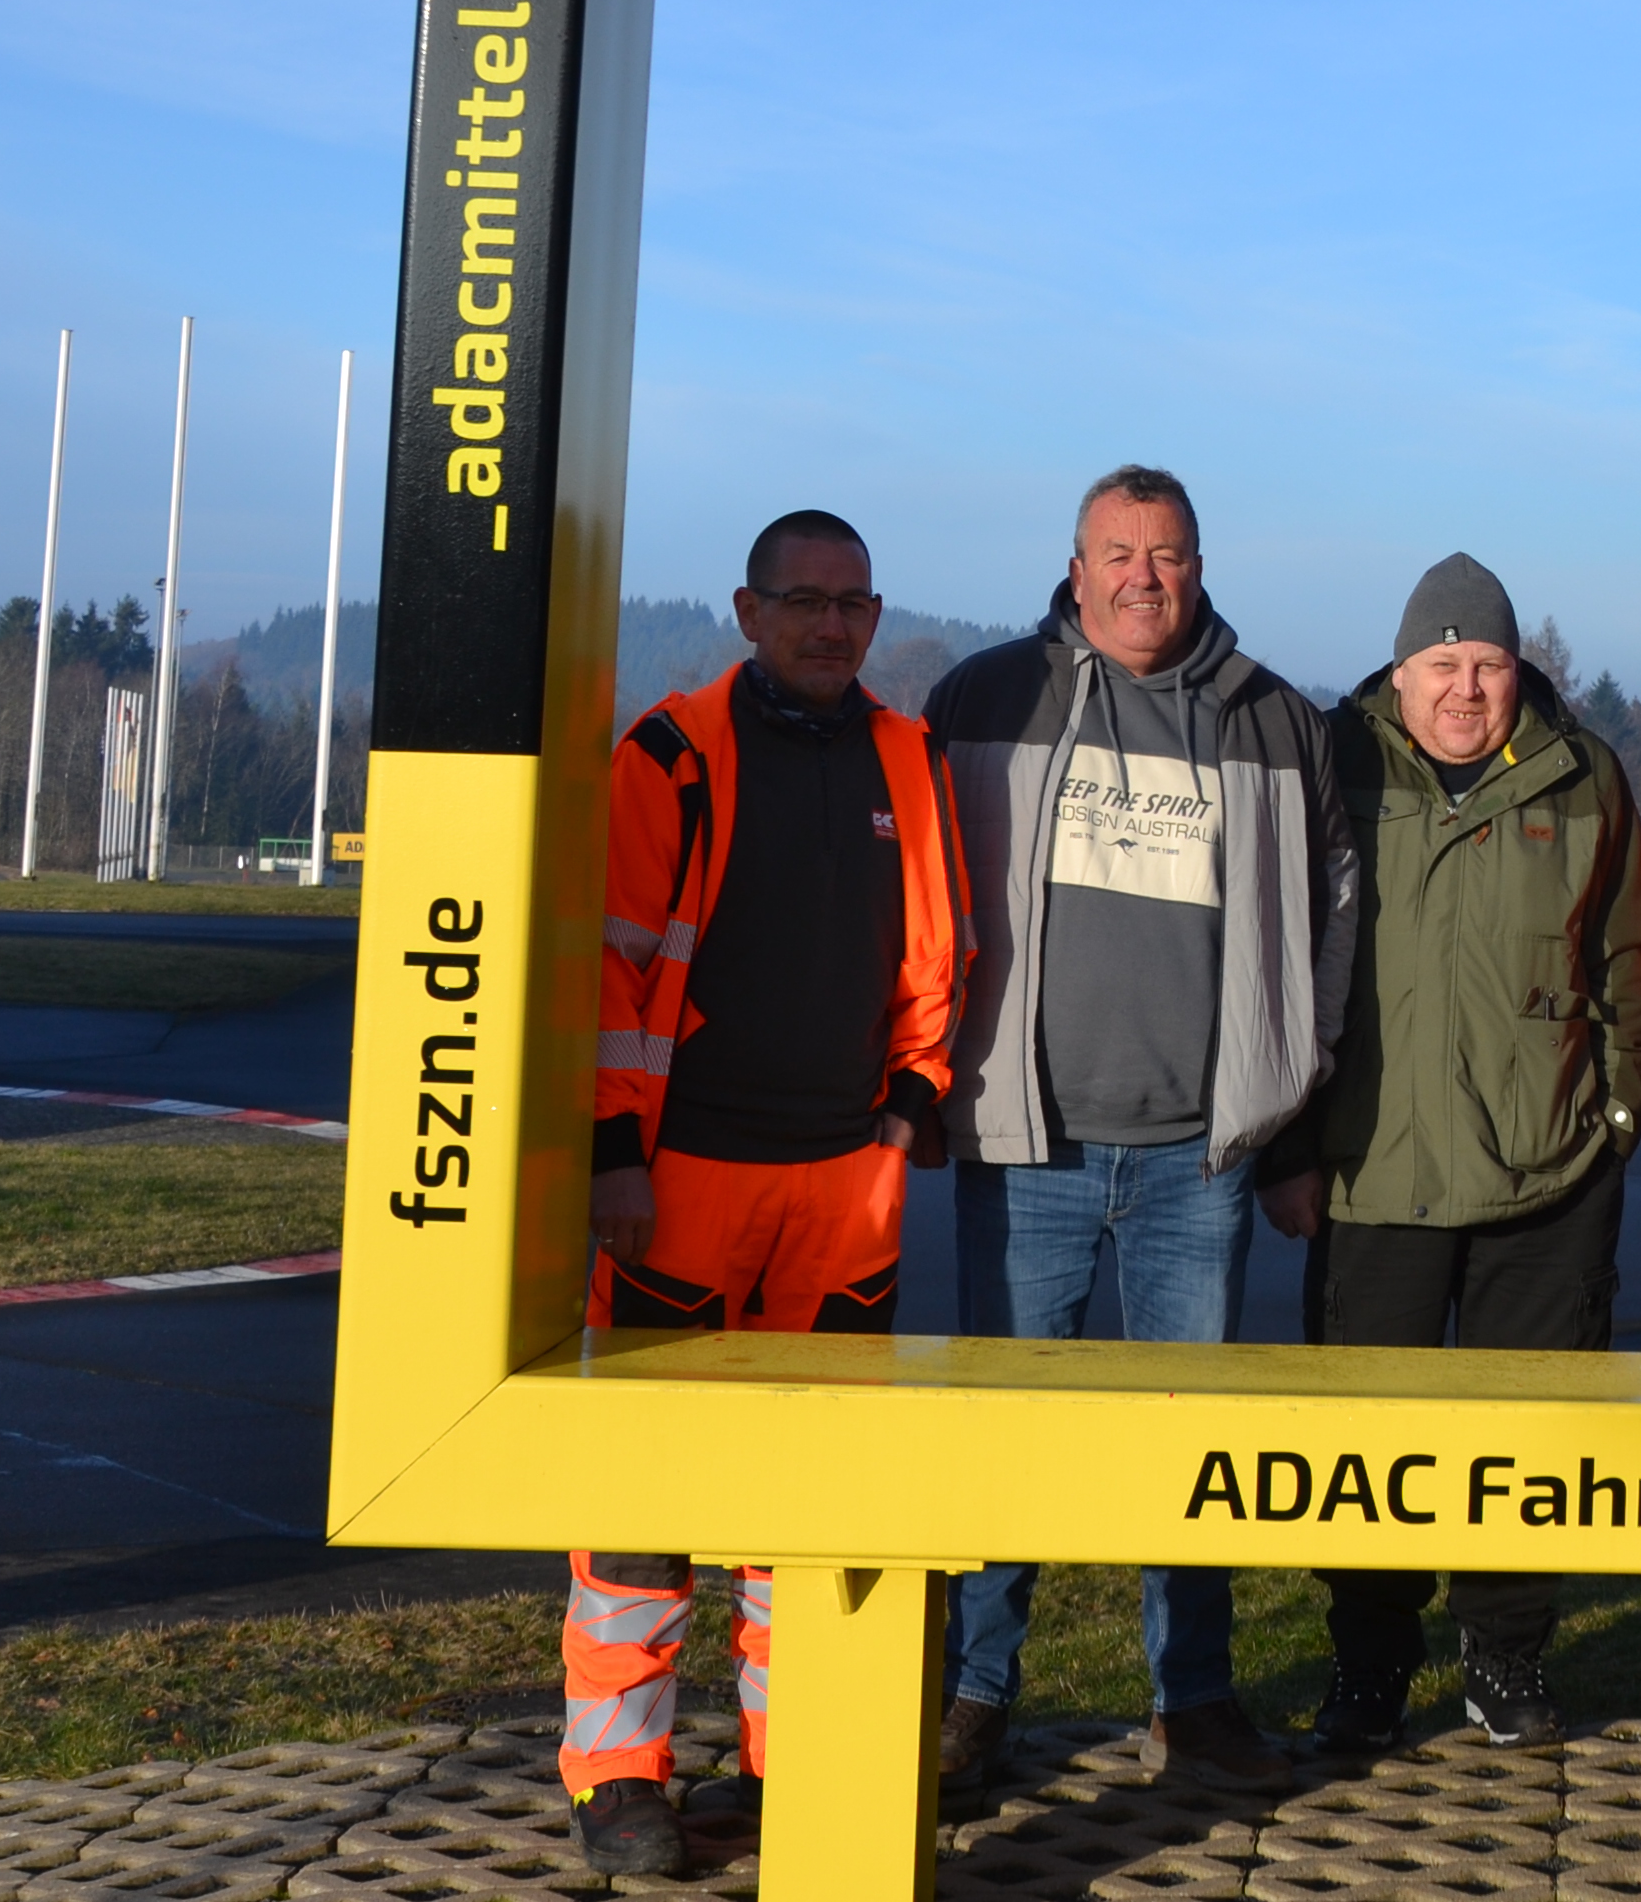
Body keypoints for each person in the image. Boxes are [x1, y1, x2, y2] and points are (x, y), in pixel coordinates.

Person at [927, 466, 1359, 1793]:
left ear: (1199, 566)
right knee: (1005, 1437)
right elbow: (919, 888)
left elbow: (1335, 910)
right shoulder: (987, 699)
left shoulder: (1275, 719)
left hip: (1196, 1157)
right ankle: (975, 1695)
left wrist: (1293, 1090)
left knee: (1193, 1442)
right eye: (1117, 554)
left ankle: (1196, 1698)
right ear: (1077, 567)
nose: (1142, 579)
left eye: (1166, 555)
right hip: (1029, 1144)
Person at [559, 511, 964, 1882]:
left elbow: (938, 953)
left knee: (818, 1507)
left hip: (847, 1188)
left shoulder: (908, 757)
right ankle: (620, 1777)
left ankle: (795, 1768)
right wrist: (615, 1153)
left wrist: (909, 1104)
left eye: (853, 604)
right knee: (644, 1502)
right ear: (747, 611)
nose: (830, 626)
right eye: (803, 601)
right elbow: (608, 969)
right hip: (682, 1185)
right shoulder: (670, 755)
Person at [1304, 554, 1641, 1755]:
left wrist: (1618, 1118)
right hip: (1376, 1175)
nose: (1466, 688)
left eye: (1489, 664)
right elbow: (1286, 958)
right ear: (1400, 671)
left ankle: (1505, 1657)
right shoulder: (1335, 765)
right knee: (1371, 1453)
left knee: (1529, 1445)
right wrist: (1293, 1148)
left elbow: (1625, 960)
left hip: (1548, 1179)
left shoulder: (1584, 775)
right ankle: (1368, 1668)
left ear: (1520, 672)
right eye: (1443, 663)